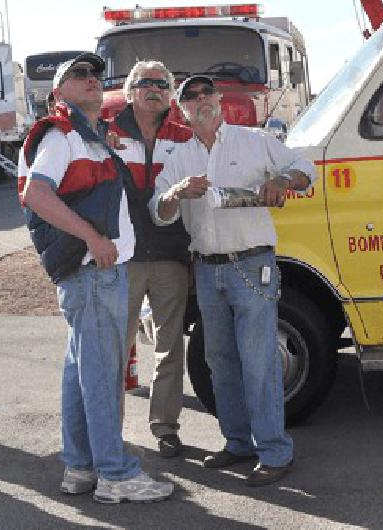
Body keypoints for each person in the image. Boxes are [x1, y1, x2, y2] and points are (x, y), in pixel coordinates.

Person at [17, 52, 173, 504]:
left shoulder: (86, 136)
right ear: (57, 92)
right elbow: (37, 195)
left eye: (95, 74)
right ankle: (115, 473)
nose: (90, 80)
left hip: (89, 274)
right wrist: (94, 239)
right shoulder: (61, 135)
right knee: (102, 375)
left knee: (80, 372)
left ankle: (81, 466)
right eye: (77, 75)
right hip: (94, 272)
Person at [148, 76, 316, 487]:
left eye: (207, 93)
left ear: (219, 100)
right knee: (219, 361)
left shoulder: (253, 141)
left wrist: (282, 181)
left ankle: (275, 452)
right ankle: (238, 443)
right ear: (182, 109)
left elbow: (305, 168)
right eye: (191, 96)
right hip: (207, 269)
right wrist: (177, 195)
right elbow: (158, 209)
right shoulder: (179, 157)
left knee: (259, 362)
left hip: (253, 265)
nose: (201, 100)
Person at [107, 60, 194, 458]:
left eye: (162, 82)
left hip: (170, 256)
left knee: (169, 346)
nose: (154, 89)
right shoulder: (105, 133)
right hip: (122, 258)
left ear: (171, 93)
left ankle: (165, 426)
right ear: (130, 91)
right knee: (114, 347)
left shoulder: (185, 137)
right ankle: (110, 430)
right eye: (145, 82)